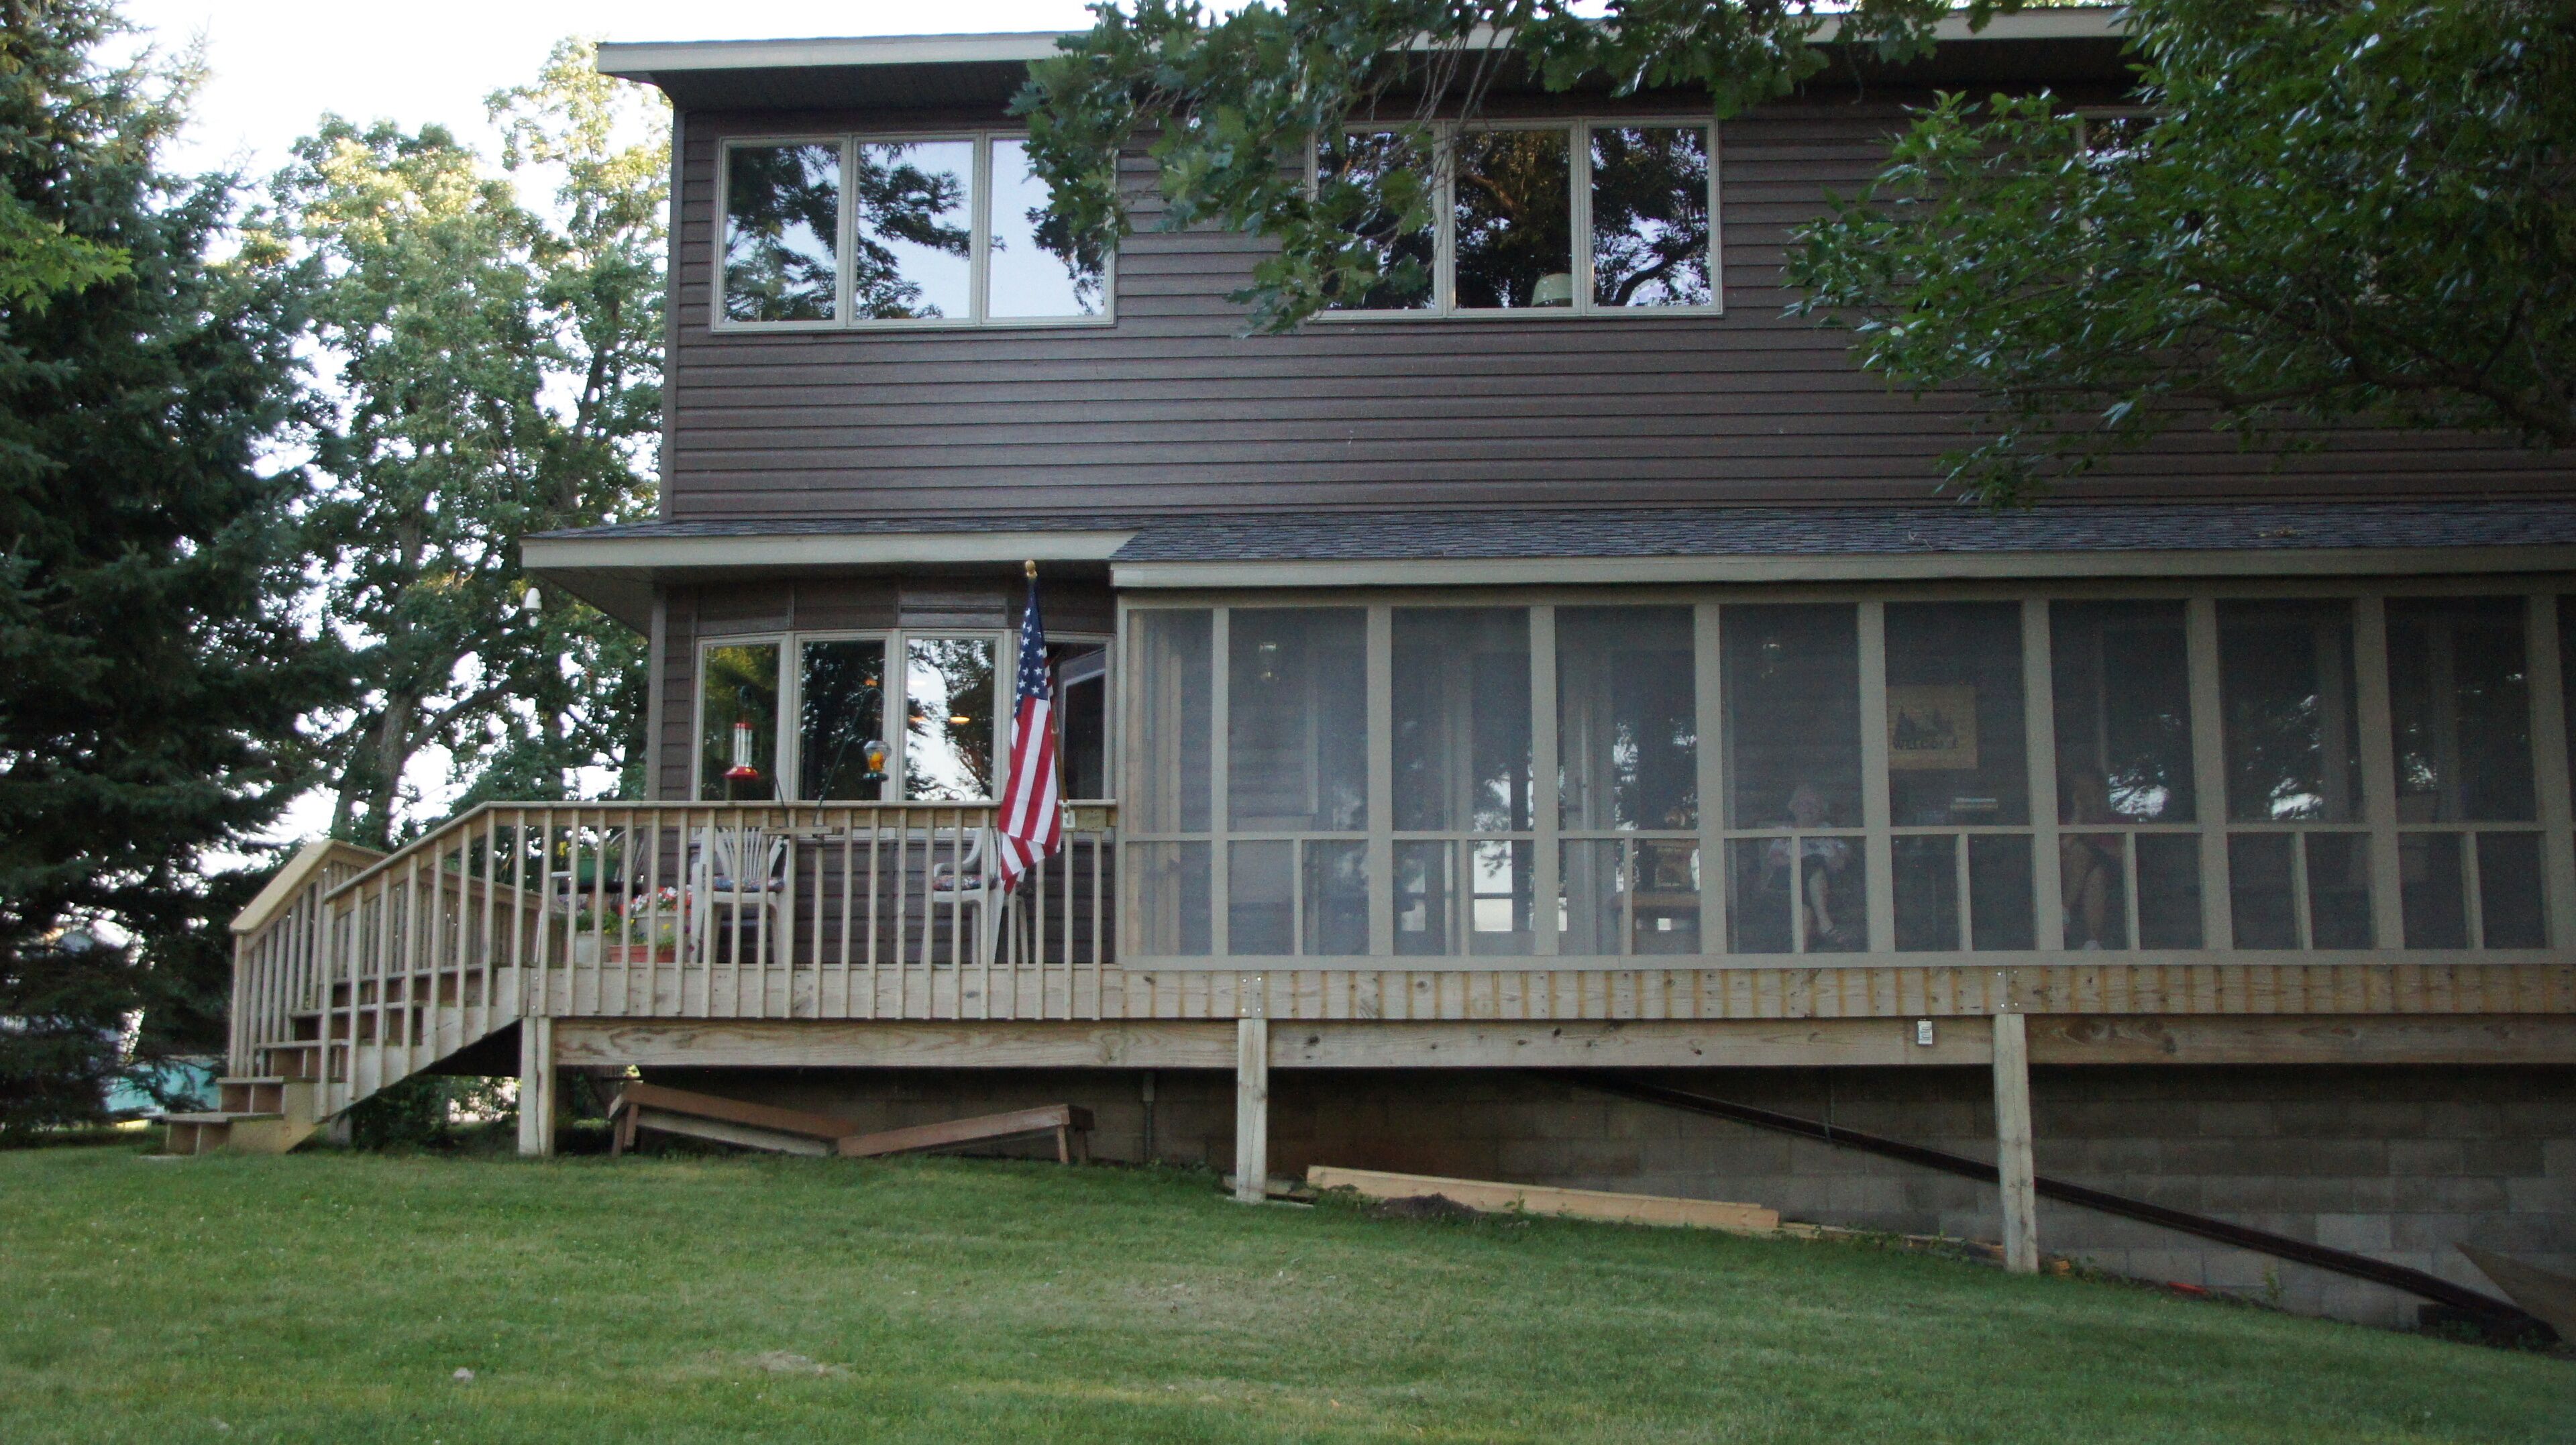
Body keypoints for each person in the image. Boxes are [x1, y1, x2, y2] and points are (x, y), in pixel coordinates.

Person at [1766, 782, 1857, 949]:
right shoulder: (1784, 831)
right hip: (1788, 882)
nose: (1808, 808)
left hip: (1827, 883)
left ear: (1822, 810)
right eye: (1803, 804)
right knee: (1812, 862)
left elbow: (1845, 854)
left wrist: (1837, 860)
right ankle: (1825, 923)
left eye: (1813, 805)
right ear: (1793, 808)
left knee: (1806, 902)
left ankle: (1801, 952)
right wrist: (1801, 864)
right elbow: (1774, 859)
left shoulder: (1828, 830)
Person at [2059, 767, 2120, 949]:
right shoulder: (2064, 823)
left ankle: (2093, 941)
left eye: (2091, 791)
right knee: (2080, 852)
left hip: (2107, 876)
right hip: (2067, 877)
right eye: (2081, 792)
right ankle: (2064, 911)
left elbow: (2123, 855)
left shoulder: (2116, 821)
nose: (2087, 798)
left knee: (2097, 874)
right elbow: (2060, 851)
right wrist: (2078, 819)